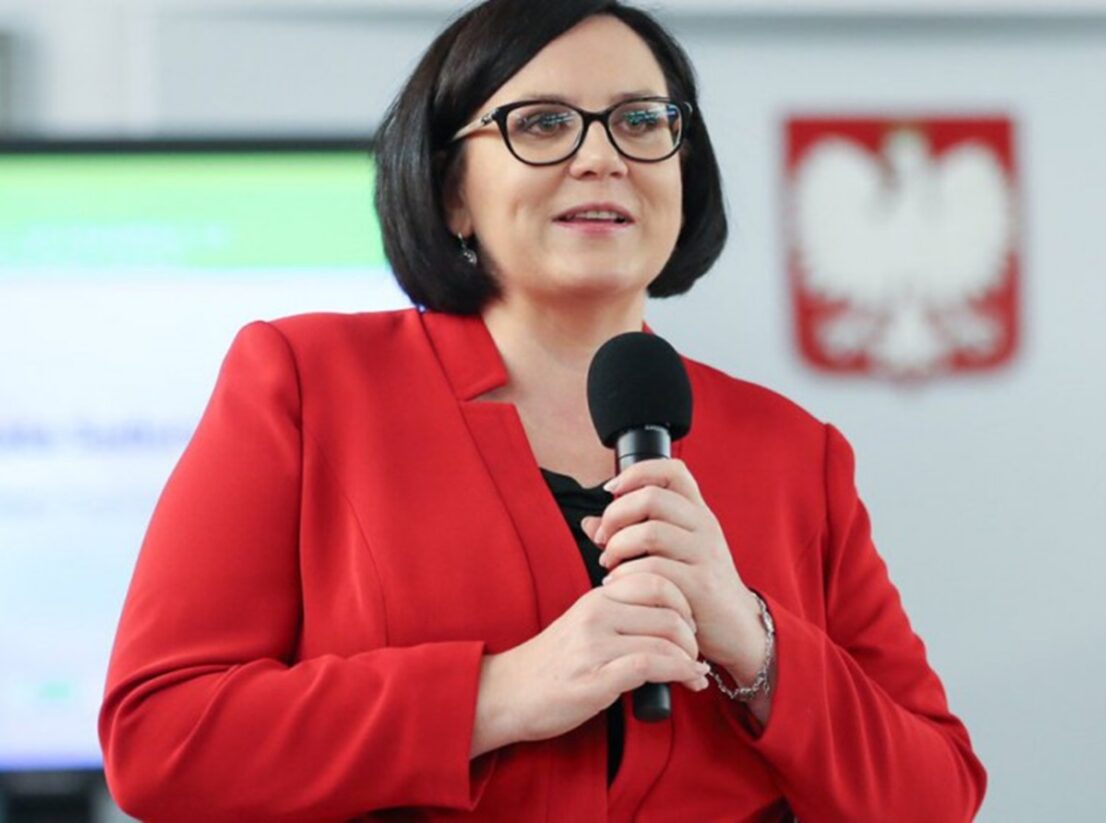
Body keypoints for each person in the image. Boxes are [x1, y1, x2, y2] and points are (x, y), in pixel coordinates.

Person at [98, 1, 987, 820]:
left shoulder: (793, 450)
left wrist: (754, 642)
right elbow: (159, 738)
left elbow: (937, 793)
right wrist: (500, 694)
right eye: (543, 123)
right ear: (453, 192)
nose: (602, 157)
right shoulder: (308, 382)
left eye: (642, 121)